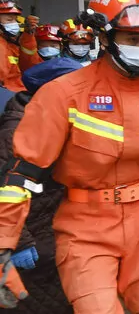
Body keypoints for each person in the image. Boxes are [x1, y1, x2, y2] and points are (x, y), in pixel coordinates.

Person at [0, 0, 139, 313]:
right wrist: (4, 242)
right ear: (104, 38)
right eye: (134, 38)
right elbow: (21, 173)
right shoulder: (63, 95)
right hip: (86, 226)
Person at [0, 58, 82, 314]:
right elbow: (5, 186)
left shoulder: (59, 119)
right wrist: (20, 241)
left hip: (55, 226)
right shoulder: (16, 131)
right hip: (33, 235)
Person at [0, 0, 25, 91]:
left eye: (16, 19)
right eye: (9, 20)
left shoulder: (9, 43)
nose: (14, 23)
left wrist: (28, 35)